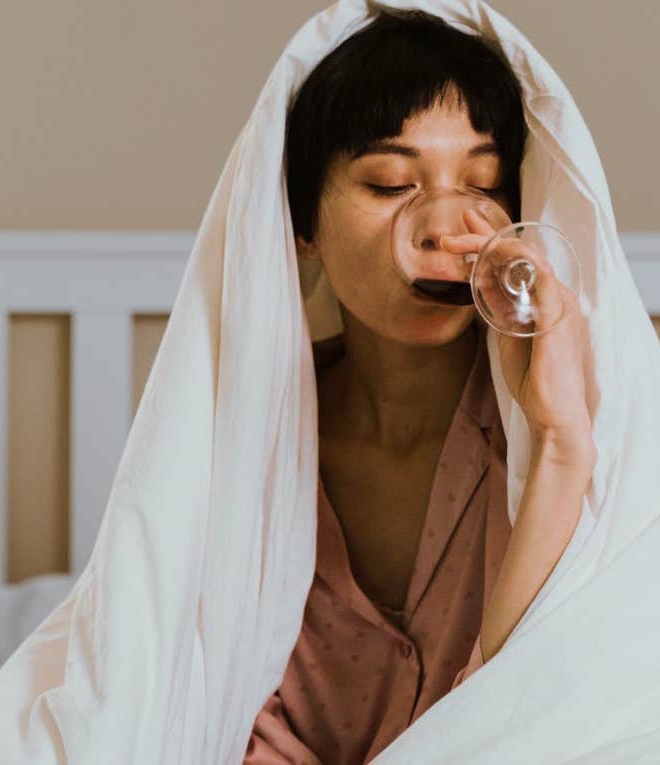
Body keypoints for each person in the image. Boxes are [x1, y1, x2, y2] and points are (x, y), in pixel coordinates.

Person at [246, 10, 595, 763]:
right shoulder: (249, 440)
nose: (446, 225)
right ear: (303, 222)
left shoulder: (552, 431)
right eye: (391, 182)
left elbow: (538, 701)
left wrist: (563, 444)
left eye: (483, 182)